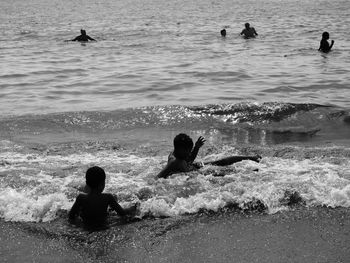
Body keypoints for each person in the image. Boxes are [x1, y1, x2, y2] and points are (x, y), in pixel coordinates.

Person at [157, 133, 261, 179]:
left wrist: (196, 147)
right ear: (180, 149)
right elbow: (158, 176)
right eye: (188, 151)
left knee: (220, 162)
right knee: (217, 173)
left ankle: (251, 158)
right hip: (194, 172)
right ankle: (246, 173)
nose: (189, 153)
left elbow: (189, 160)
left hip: (194, 167)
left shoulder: (179, 155)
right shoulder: (174, 161)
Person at [69, 166, 136, 230]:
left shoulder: (81, 197)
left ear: (87, 183)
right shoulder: (108, 197)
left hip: (86, 226)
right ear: (103, 184)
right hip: (103, 226)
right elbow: (122, 213)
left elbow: (71, 216)